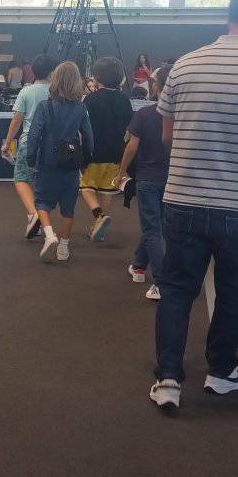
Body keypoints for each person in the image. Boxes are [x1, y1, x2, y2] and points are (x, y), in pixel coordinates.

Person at [149, 0, 238, 411]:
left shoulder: (185, 65)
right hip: (237, 206)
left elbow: (168, 136)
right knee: (234, 292)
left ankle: (168, 379)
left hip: (184, 199)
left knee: (176, 292)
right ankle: (221, 371)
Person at [113, 63, 171, 302]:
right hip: (173, 180)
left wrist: (121, 173)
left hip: (147, 179)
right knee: (157, 227)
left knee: (152, 229)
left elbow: (131, 147)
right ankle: (138, 266)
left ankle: (160, 282)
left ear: (157, 87)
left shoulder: (144, 115)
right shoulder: (184, 116)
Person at [26, 62, 94, 262]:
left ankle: (49, 234)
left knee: (41, 201)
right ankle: (64, 247)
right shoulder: (81, 108)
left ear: (55, 80)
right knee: (68, 207)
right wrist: (86, 159)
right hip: (71, 163)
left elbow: (33, 135)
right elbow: (89, 137)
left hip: (47, 161)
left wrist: (31, 157)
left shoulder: (44, 106)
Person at [1, 53, 58, 238]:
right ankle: (39, 218)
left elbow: (16, 120)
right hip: (52, 145)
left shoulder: (26, 92)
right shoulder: (58, 92)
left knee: (20, 178)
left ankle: (33, 214)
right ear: (52, 73)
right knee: (42, 182)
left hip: (29, 142)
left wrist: (7, 142)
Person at [79, 56, 133, 242]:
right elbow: (129, 125)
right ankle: (98, 228)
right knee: (107, 190)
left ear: (97, 77)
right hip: (116, 152)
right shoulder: (124, 99)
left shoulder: (90, 99)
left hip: (94, 151)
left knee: (86, 187)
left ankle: (99, 216)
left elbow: (84, 127)